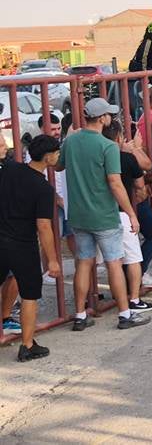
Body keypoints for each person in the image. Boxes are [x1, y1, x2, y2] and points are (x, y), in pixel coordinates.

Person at [57, 98, 149, 331]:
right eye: (108, 114)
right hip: (104, 214)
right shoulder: (107, 146)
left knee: (84, 264)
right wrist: (131, 214)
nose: (110, 118)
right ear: (101, 118)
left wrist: (68, 136)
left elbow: (58, 166)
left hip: (78, 215)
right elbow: (115, 184)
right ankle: (125, 314)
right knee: (114, 264)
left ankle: (79, 315)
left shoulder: (71, 141)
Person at [0, 136, 61, 361]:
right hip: (22, 245)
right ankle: (27, 345)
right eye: (56, 152)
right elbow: (44, 226)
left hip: (1, 238)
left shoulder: (10, 169)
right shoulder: (43, 189)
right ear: (47, 157)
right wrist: (52, 259)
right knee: (29, 295)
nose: (58, 155)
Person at [101, 121, 152, 313]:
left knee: (111, 261)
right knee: (132, 258)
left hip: (101, 212)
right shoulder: (125, 157)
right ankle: (134, 299)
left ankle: (110, 299)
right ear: (118, 137)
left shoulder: (97, 155)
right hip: (123, 211)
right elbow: (140, 185)